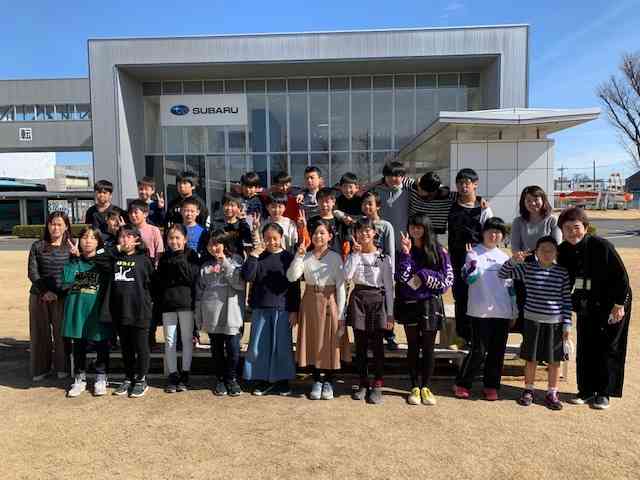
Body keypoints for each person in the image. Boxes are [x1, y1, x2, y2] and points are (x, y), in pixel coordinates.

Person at [557, 207, 631, 410]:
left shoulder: (601, 245)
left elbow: (622, 277)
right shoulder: (563, 250)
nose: (572, 232)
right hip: (586, 301)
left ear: (586, 227)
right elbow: (566, 280)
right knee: (586, 345)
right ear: (562, 230)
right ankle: (586, 390)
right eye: (567, 228)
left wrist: (619, 305)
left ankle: (604, 393)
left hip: (613, 302)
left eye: (576, 227)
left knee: (608, 346)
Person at [498, 236, 572, 410]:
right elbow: (502, 274)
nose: (546, 253)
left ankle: (552, 392)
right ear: (536, 252)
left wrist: (567, 324)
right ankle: (528, 390)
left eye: (551, 250)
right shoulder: (528, 268)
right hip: (532, 321)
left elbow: (566, 300)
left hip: (555, 323)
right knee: (531, 359)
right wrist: (513, 260)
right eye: (542, 250)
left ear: (556, 253)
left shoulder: (562, 272)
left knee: (554, 361)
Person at [395, 214, 454, 406]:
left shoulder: (439, 251)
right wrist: (405, 254)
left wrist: (423, 275)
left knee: (428, 347)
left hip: (430, 304)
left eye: (419, 227)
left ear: (426, 228)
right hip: (409, 304)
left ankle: (426, 387)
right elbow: (401, 279)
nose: (415, 230)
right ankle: (414, 386)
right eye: (412, 226)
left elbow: (447, 281)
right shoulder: (404, 250)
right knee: (412, 345)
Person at [286, 219, 348, 400]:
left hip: (330, 301)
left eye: (322, 233)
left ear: (330, 236)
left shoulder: (335, 257)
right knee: (312, 340)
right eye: (315, 233)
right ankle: (317, 380)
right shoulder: (306, 256)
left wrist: (341, 313)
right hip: (310, 301)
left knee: (329, 340)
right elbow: (292, 277)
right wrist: (298, 256)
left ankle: (329, 380)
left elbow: (341, 287)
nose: (318, 236)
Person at [454, 217, 513, 401]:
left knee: (497, 352)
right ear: (483, 233)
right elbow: (469, 279)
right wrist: (472, 262)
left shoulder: (505, 257)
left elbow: (510, 287)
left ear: (503, 236)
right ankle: (462, 383)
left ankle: (491, 386)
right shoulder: (473, 252)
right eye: (490, 231)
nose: (494, 235)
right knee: (478, 351)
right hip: (479, 311)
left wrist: (514, 310)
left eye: (498, 232)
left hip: (502, 311)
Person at [93, 224, 155, 398]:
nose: (124, 239)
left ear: (137, 240)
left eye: (129, 236)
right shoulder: (113, 258)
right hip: (120, 310)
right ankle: (129, 377)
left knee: (141, 347)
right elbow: (97, 256)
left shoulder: (144, 260)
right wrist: (117, 248)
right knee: (126, 347)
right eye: (121, 236)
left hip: (139, 311)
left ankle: (141, 379)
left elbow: (153, 284)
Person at [242, 222, 300, 396]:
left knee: (282, 346)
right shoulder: (258, 256)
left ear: (281, 238)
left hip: (282, 308)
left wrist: (294, 310)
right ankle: (262, 380)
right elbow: (248, 276)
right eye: (268, 238)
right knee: (259, 346)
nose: (271, 242)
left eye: (275, 238)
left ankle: (282, 381)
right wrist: (253, 255)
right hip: (260, 307)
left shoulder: (288, 257)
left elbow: (294, 286)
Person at [344, 218, 394, 405]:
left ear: (374, 233)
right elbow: (347, 276)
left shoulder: (383, 257)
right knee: (361, 344)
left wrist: (390, 313)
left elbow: (389, 286)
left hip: (378, 300)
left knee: (378, 344)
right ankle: (363, 382)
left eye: (368, 230)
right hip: (358, 298)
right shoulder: (353, 255)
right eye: (360, 231)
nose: (364, 234)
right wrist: (355, 255)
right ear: (355, 234)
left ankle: (378, 383)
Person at [61, 227, 112, 397]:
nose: (88, 241)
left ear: (99, 242)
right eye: (84, 237)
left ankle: (101, 377)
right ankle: (79, 378)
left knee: (101, 343)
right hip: (78, 310)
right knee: (79, 344)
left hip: (97, 310)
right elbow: (67, 282)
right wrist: (74, 259)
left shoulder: (104, 263)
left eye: (92, 238)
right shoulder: (74, 262)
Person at [195, 230, 246, 397]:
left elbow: (239, 284)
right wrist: (199, 317)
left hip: (232, 315)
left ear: (225, 244)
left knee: (233, 350)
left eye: (217, 244)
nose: (213, 247)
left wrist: (224, 261)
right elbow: (199, 293)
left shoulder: (237, 261)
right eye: (210, 244)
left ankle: (231, 378)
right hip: (212, 316)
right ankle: (220, 379)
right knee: (216, 351)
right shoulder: (205, 266)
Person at [447, 168, 493, 344]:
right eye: (459, 183)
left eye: (467, 183)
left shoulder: (484, 209)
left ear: (475, 184)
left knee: (479, 295)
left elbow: (491, 236)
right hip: (457, 258)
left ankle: (479, 337)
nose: (463, 186)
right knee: (460, 297)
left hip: (477, 259)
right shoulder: (451, 203)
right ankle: (462, 336)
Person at [153, 224, 200, 393]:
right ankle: (173, 374)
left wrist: (180, 257)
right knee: (170, 340)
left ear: (185, 239)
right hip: (168, 303)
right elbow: (160, 281)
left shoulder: (192, 255)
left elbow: (191, 277)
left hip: (186, 302)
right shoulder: (165, 257)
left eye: (177, 238)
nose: (174, 241)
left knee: (187, 339)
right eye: (171, 238)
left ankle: (185, 374)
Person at [510, 186, 562, 334]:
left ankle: (544, 339)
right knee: (523, 304)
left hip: (546, 268)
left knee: (544, 305)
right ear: (523, 202)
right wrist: (521, 256)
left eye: (536, 199)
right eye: (528, 200)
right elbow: (515, 248)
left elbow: (556, 245)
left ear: (543, 199)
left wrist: (541, 258)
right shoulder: (518, 222)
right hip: (524, 268)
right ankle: (527, 339)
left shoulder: (552, 220)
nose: (532, 203)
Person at [27, 211, 72, 381]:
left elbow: (74, 272)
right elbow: (33, 272)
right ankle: (40, 369)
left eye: (59, 224)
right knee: (40, 333)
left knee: (62, 333)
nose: (55, 227)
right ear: (47, 225)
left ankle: (63, 367)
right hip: (39, 296)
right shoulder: (38, 246)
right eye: (52, 224)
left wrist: (58, 292)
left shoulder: (71, 246)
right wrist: (45, 291)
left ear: (66, 226)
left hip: (62, 297)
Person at [370, 161, 409, 250]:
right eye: (389, 176)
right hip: (381, 237)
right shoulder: (376, 191)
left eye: (396, 176)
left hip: (401, 240)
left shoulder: (408, 192)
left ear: (403, 177)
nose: (392, 178)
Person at [307, 187, 348, 256]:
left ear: (333, 202)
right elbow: (307, 241)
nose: (324, 204)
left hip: (336, 257)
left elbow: (346, 244)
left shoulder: (340, 222)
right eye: (321, 201)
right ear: (317, 202)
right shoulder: (312, 221)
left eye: (327, 201)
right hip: (316, 257)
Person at [128, 200, 164, 266]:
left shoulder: (154, 230)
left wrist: (156, 264)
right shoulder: (127, 230)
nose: (133, 215)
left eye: (136, 212)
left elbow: (159, 249)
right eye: (130, 213)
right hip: (132, 264)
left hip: (150, 264)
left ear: (145, 214)